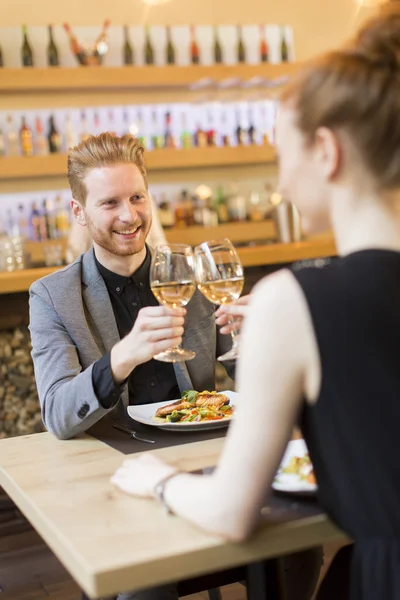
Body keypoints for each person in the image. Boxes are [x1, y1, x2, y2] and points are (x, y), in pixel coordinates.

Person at [111, 7, 400, 600]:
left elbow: (230, 512)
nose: (281, 182)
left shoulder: (294, 301)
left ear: (326, 150)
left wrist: (159, 480)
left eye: (280, 155)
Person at [29, 133, 320, 600]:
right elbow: (58, 414)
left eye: (138, 197)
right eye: (110, 203)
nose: (130, 215)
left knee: (299, 548)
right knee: (148, 585)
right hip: (117, 473)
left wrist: (253, 340)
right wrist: (123, 356)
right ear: (78, 212)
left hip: (208, 460)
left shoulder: (192, 272)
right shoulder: (52, 297)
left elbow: (251, 384)